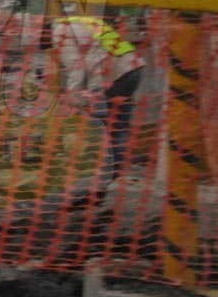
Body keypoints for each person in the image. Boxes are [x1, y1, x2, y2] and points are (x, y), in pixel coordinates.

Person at [48, 11, 146, 190]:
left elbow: (76, 68)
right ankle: (115, 173)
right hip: (133, 66)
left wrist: (72, 98)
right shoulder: (79, 20)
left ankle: (100, 183)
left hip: (114, 75)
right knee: (119, 126)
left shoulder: (59, 32)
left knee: (97, 129)